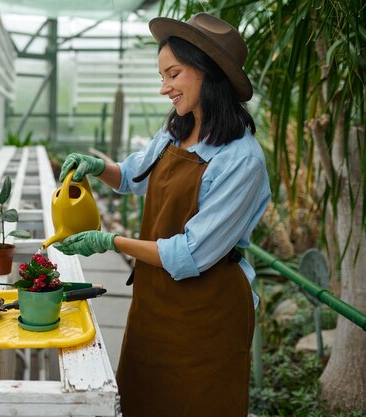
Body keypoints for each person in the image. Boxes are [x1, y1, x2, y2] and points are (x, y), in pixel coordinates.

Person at [53, 13, 271, 417]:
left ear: (208, 72)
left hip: (207, 313)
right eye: (162, 75)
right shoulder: (177, 128)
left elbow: (191, 254)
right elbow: (134, 174)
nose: (163, 88)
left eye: (173, 74)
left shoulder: (242, 161)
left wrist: (110, 242)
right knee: (141, 399)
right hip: (155, 301)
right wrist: (99, 168)